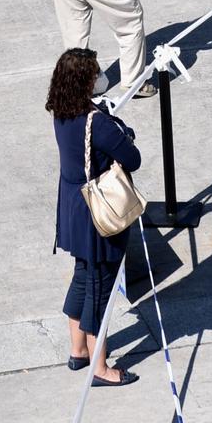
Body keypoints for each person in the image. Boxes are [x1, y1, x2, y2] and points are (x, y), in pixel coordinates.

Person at [47, 48, 142, 384]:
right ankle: (101, 367)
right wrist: (122, 132)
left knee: (83, 276)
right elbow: (132, 158)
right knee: (100, 288)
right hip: (97, 213)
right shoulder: (97, 123)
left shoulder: (61, 112)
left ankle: (78, 351)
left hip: (72, 207)